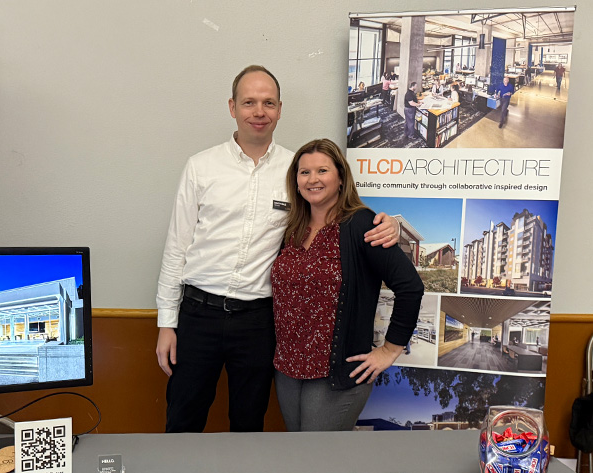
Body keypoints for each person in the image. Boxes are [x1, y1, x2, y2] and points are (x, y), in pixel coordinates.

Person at [155, 66, 400, 433]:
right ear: (232, 107)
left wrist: (390, 221)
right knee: (183, 419)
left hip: (258, 322)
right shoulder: (201, 167)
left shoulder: (298, 171)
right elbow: (176, 248)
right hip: (197, 315)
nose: (259, 111)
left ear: (280, 109)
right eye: (249, 102)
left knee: (249, 424)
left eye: (268, 102)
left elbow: (340, 213)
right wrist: (166, 323)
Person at [271, 138, 423, 431]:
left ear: (341, 178)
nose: (313, 179)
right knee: (298, 454)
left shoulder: (362, 225)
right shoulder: (293, 228)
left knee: (316, 460)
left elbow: (410, 287)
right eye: (304, 172)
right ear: (296, 181)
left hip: (335, 374)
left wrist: (390, 349)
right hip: (288, 369)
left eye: (322, 171)